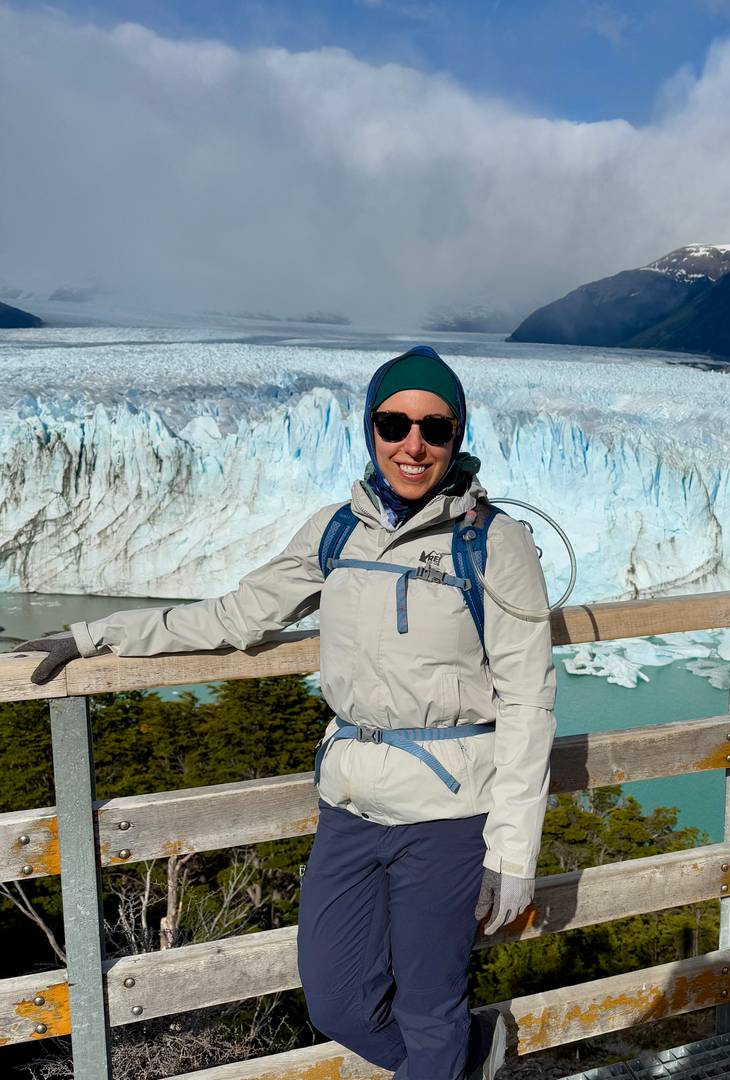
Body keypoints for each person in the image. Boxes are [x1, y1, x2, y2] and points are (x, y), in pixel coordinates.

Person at [20, 346, 557, 1080]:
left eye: (434, 428)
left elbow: (528, 699)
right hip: (349, 803)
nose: (413, 444)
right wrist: (95, 634)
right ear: (369, 430)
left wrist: (513, 853)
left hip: (449, 811)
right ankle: (470, 1058)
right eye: (393, 422)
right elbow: (238, 614)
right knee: (337, 1002)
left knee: (428, 1009)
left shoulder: (496, 544)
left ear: (457, 437)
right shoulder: (335, 531)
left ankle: (448, 1056)